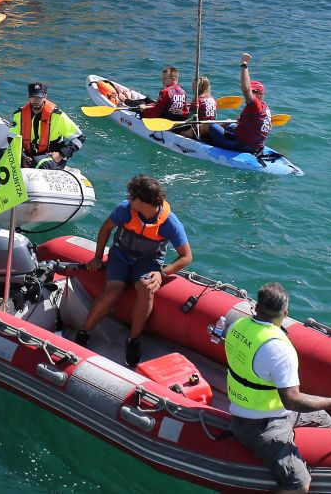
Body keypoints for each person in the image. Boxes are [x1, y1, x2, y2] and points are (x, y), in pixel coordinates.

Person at [226, 283, 331, 494]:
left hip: (247, 407)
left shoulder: (236, 326)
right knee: (299, 485)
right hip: (260, 425)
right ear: (285, 313)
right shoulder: (279, 349)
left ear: (257, 307)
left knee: (326, 422)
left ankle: (301, 459)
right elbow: (292, 400)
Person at [72, 175, 192, 365]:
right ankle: (84, 331)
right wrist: (97, 258)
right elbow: (105, 229)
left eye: (132, 197)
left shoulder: (170, 223)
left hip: (148, 262)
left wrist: (162, 274)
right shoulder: (125, 210)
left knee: (146, 288)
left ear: (144, 202)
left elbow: (186, 256)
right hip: (120, 256)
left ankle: (133, 339)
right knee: (113, 290)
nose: (129, 199)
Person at [207, 52, 272, 153]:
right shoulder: (266, 107)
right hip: (257, 146)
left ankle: (202, 143)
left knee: (211, 126)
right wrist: (244, 123)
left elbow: (245, 89)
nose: (250, 93)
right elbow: (268, 127)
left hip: (242, 146)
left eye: (253, 91)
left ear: (260, 93)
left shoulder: (255, 105)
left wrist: (244, 64)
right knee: (228, 121)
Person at [11, 83, 84, 169]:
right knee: (1, 153)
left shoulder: (57, 116)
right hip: (28, 155)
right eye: (33, 97)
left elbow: (80, 138)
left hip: (52, 156)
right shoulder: (19, 114)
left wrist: (61, 154)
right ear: (29, 97)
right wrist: (23, 157)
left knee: (37, 162)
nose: (36, 100)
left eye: (39, 97)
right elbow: (11, 137)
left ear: (45, 97)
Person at [125, 66, 189, 121]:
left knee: (141, 105)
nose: (162, 81)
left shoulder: (165, 92)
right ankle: (128, 99)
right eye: (162, 78)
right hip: (172, 116)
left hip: (163, 119)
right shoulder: (184, 93)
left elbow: (156, 112)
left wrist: (144, 110)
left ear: (173, 79)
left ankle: (124, 99)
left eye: (165, 78)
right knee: (147, 99)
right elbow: (185, 112)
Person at [177, 76, 217, 140]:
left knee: (179, 132)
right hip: (209, 127)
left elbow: (189, 117)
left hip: (199, 128)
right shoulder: (212, 99)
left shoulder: (197, 100)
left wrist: (181, 112)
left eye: (193, 86)